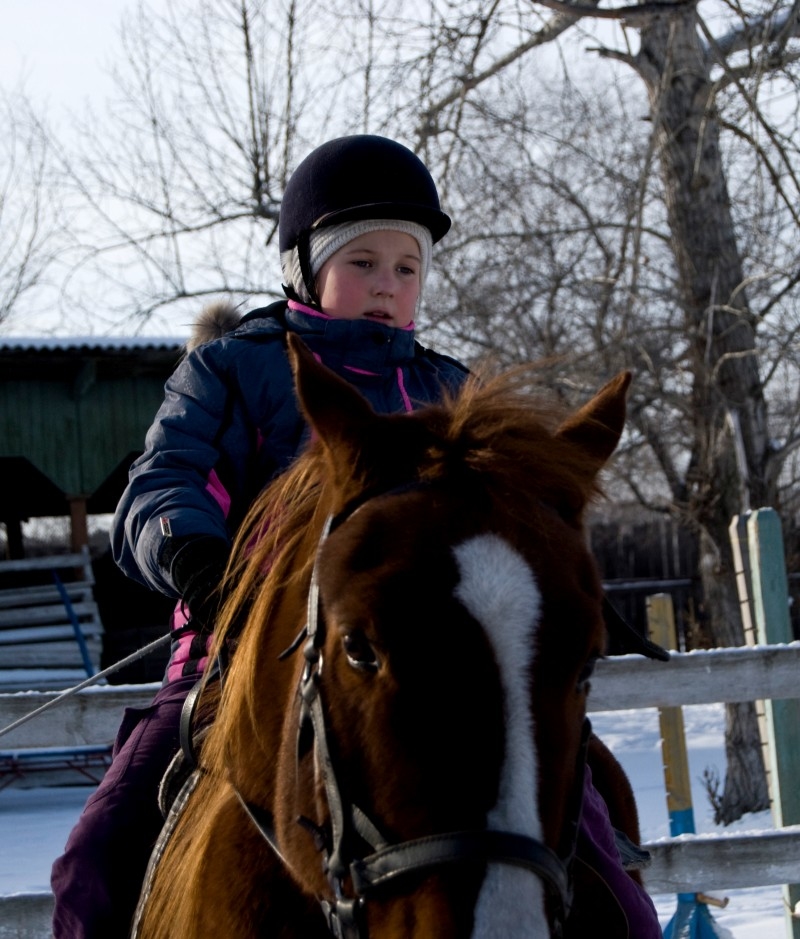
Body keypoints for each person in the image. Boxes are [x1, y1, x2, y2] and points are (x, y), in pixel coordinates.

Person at [50, 134, 661, 939]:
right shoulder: (233, 370)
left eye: (406, 269)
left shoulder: (452, 389)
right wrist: (197, 558)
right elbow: (162, 484)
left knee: (602, 871)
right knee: (95, 857)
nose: (386, 286)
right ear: (306, 268)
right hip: (234, 663)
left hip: (447, 680)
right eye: (362, 262)